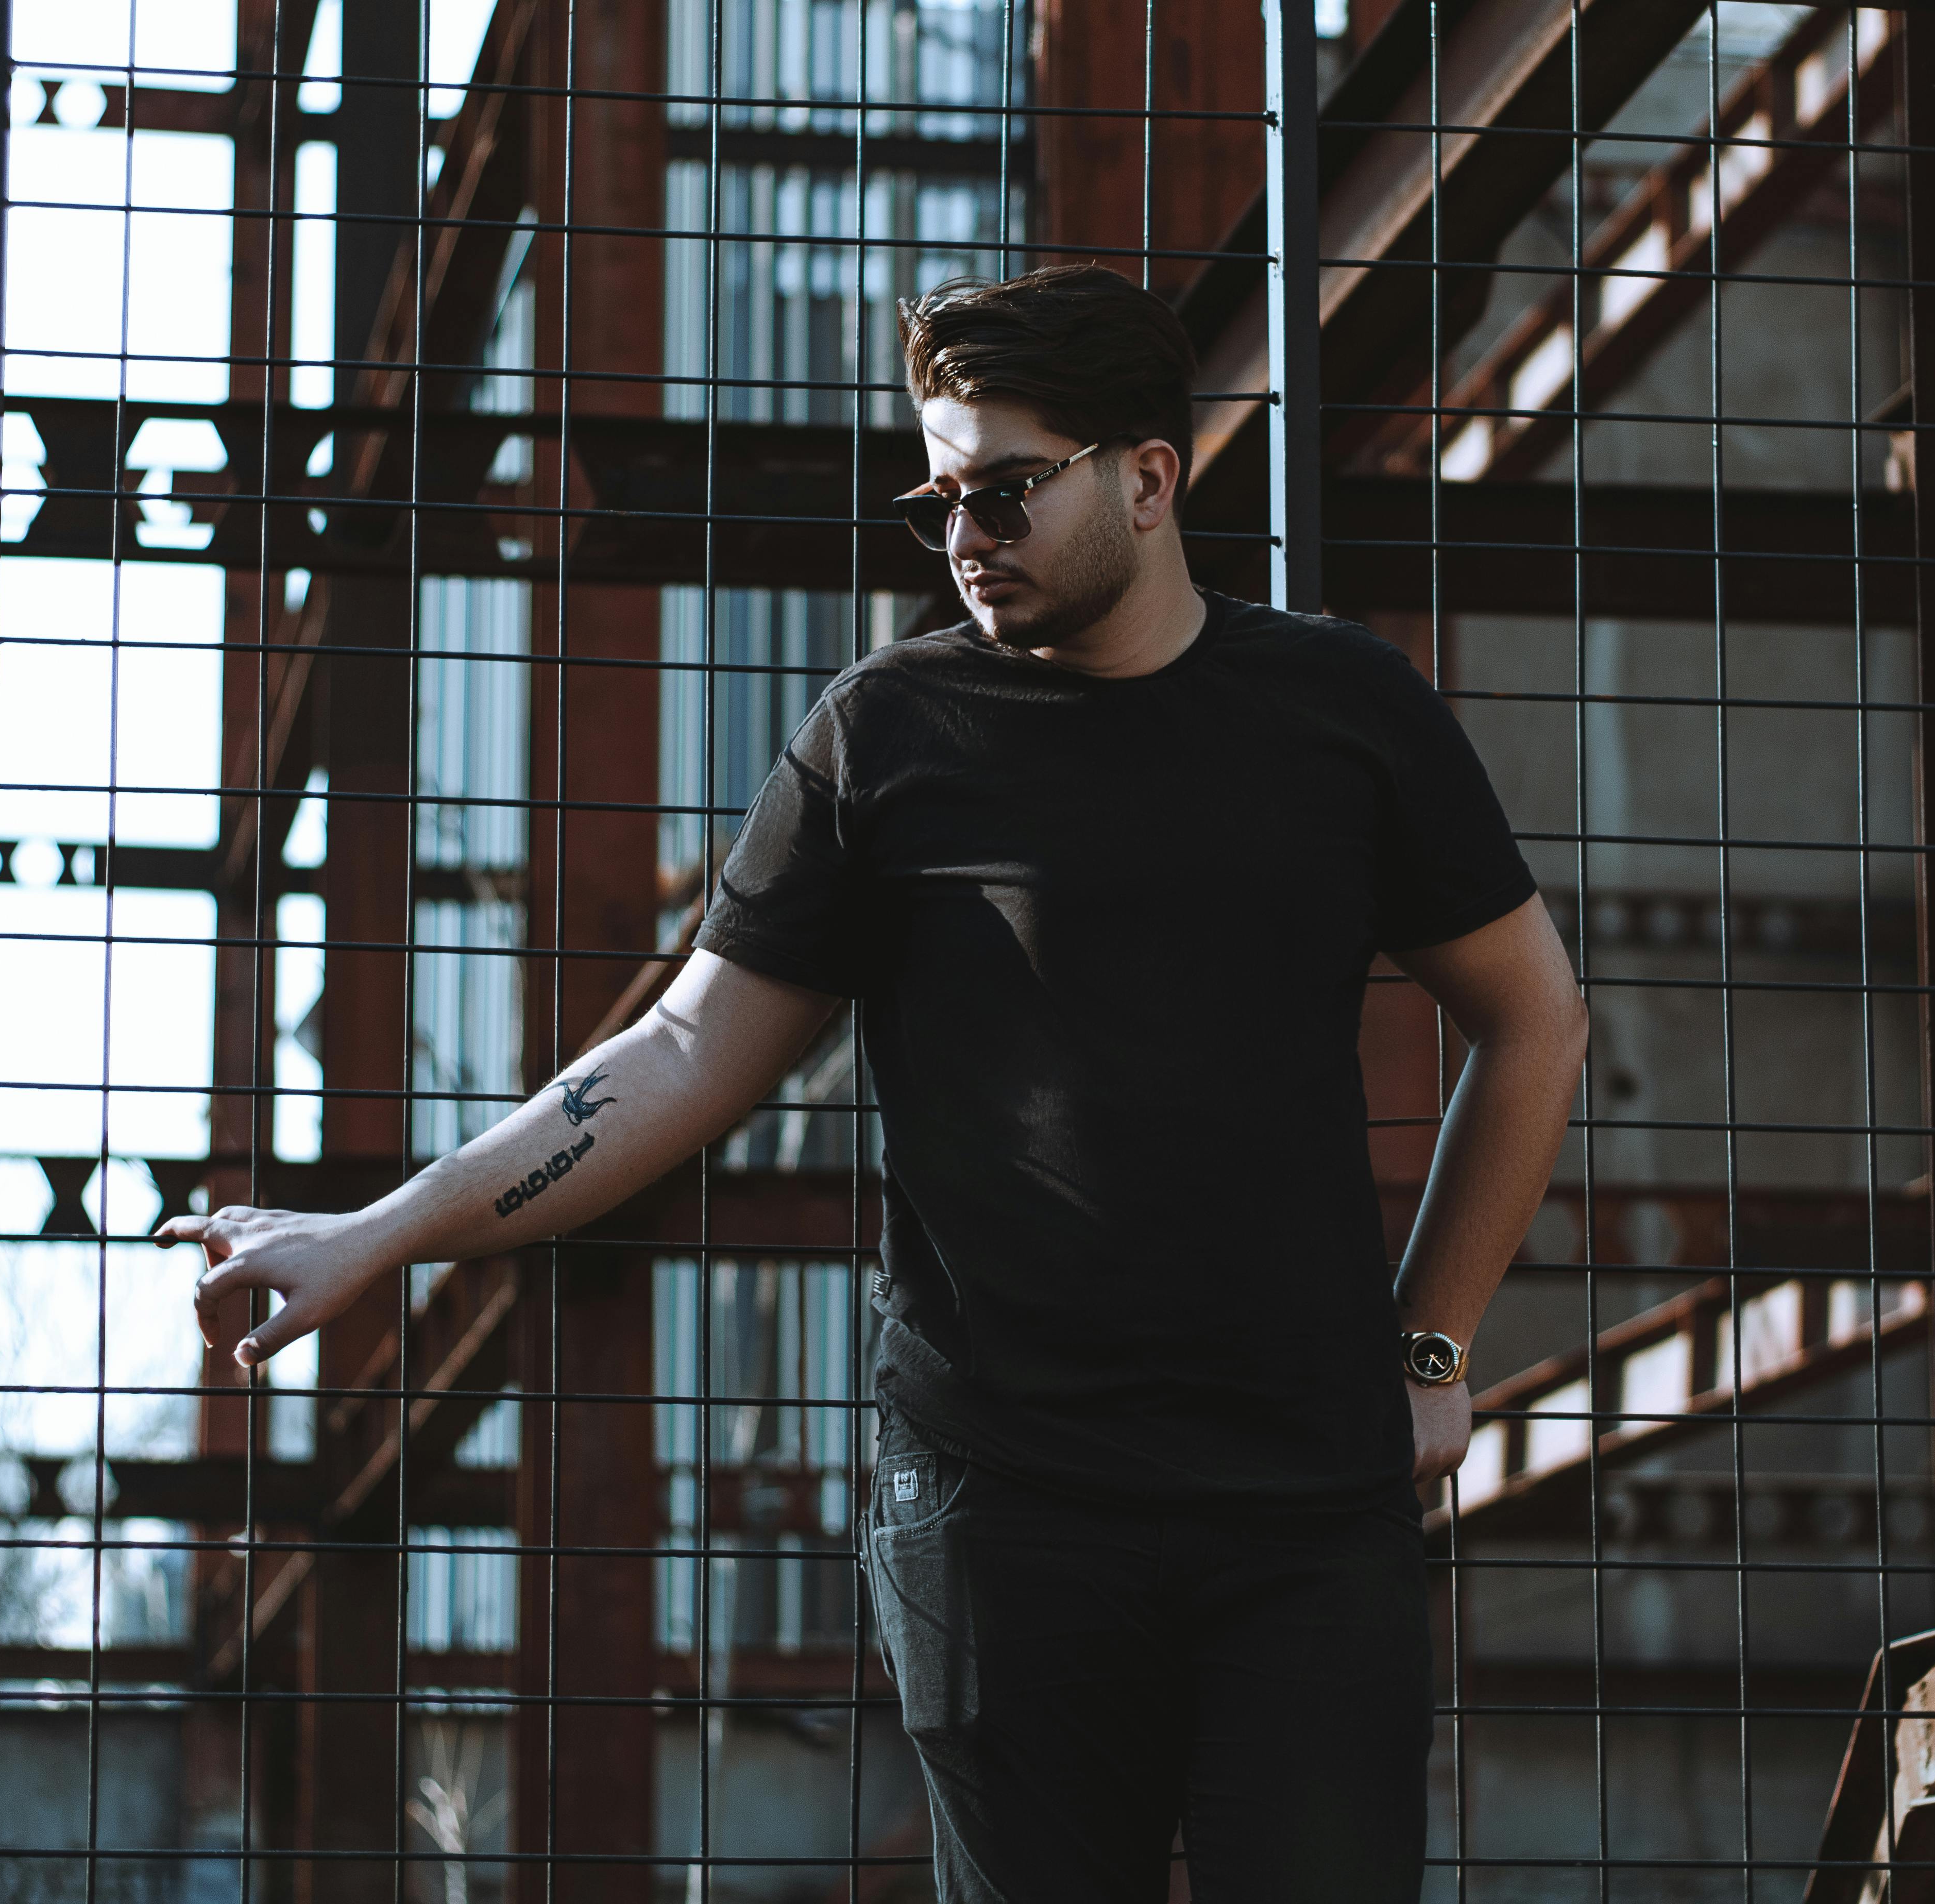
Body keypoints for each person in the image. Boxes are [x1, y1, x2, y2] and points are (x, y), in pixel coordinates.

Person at [162, 263, 1589, 1902]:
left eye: (1007, 489)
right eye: (940, 500)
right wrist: (382, 1231)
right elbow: (680, 1050)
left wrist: (1434, 1347)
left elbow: (1534, 1021)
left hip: (1307, 1498)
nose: (966, 534)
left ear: (1147, 479)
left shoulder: (1343, 712)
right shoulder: (889, 735)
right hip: (1004, 1503)